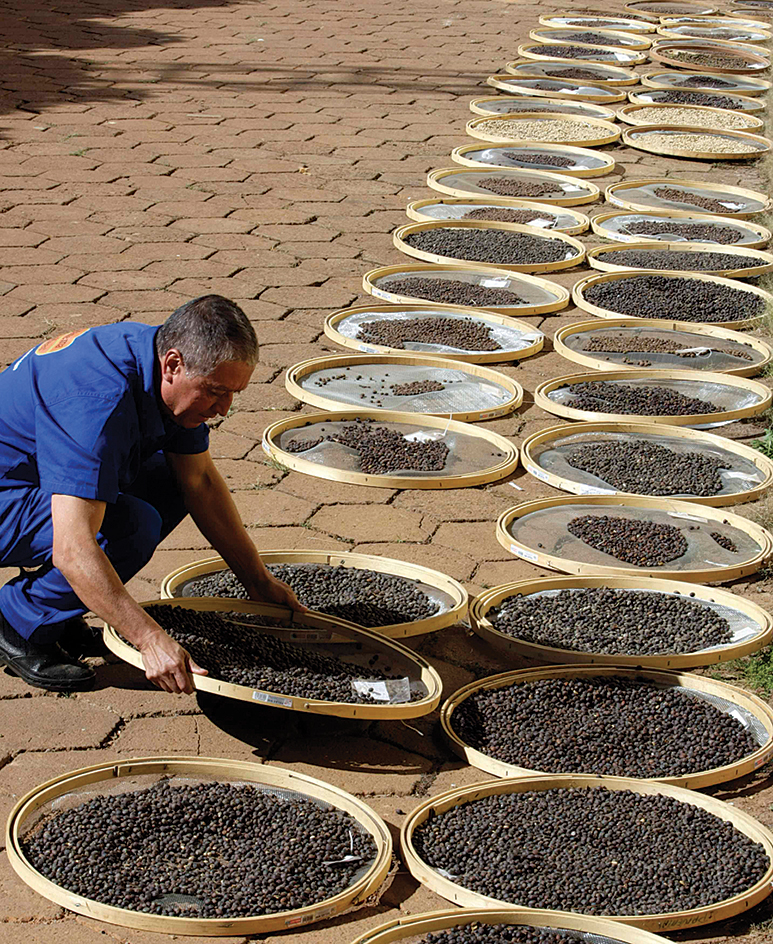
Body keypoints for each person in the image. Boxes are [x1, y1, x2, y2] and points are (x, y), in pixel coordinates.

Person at [0, 294, 302, 695]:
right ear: (173, 365)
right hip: (8, 492)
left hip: (33, 475)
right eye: (215, 392)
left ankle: (59, 608)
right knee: (131, 526)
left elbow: (199, 483)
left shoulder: (155, 360)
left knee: (171, 480)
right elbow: (73, 548)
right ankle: (18, 621)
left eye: (233, 394)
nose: (224, 409)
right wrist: (150, 639)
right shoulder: (97, 403)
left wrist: (258, 581)